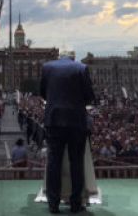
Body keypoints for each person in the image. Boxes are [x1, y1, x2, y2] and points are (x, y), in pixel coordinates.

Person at [40, 52, 96, 214]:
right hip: (76, 121)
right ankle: (75, 203)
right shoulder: (81, 68)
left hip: (54, 119)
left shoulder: (47, 67)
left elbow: (43, 93)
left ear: (60, 58)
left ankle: (53, 203)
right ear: (73, 58)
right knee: (76, 162)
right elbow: (89, 96)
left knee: (54, 162)